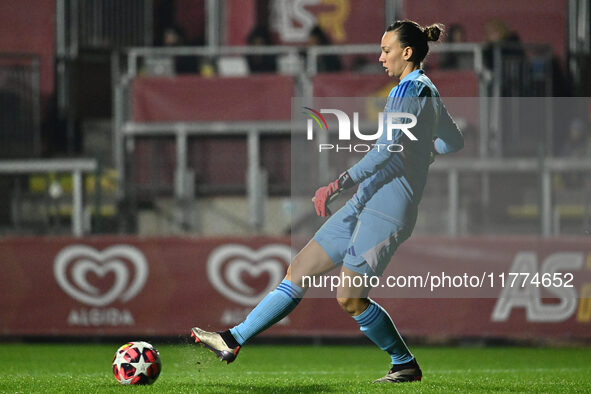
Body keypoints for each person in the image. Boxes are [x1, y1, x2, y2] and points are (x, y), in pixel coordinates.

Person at [190, 20, 464, 384]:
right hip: (366, 201)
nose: (380, 57)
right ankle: (232, 340)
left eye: (386, 50)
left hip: (387, 208)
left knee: (350, 297)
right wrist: (426, 150)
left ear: (407, 52)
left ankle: (404, 364)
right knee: (299, 270)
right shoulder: (426, 91)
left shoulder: (408, 92)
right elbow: (453, 142)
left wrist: (336, 184)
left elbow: (384, 152)